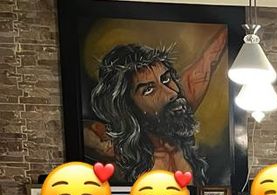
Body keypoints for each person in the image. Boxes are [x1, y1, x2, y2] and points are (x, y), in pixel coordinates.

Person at [86, 27, 227, 186]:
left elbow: (210, 56)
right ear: (129, 107)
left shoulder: (174, 108)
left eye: (166, 79)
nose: (171, 93)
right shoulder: (118, 151)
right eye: (148, 89)